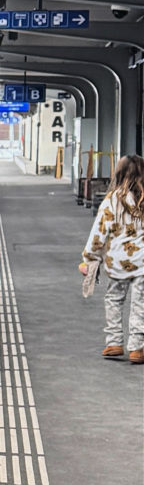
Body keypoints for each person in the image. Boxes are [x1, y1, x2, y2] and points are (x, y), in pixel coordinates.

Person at [82, 155, 144, 361]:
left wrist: (90, 257)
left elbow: (99, 233)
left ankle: (114, 343)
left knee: (114, 300)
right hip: (143, 262)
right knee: (140, 303)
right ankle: (137, 348)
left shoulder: (111, 200)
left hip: (118, 262)